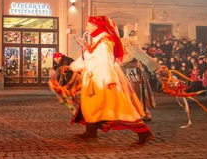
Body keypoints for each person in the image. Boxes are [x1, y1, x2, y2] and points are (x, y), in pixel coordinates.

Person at [69, 16, 154, 145]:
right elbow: (88, 57)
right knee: (91, 107)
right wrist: (75, 65)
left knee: (118, 108)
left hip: (103, 79)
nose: (86, 27)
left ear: (97, 26)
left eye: (89, 25)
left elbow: (105, 62)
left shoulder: (104, 42)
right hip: (95, 79)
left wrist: (108, 80)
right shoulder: (97, 42)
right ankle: (90, 131)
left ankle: (144, 133)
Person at [121, 27, 161, 121]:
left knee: (134, 93)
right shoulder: (114, 43)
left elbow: (141, 56)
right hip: (124, 71)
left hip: (130, 71)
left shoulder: (127, 43)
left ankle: (140, 113)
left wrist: (155, 67)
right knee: (131, 93)